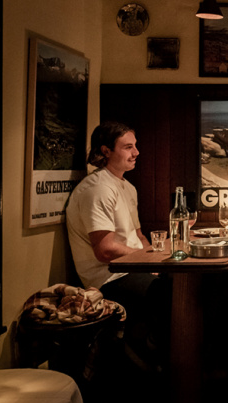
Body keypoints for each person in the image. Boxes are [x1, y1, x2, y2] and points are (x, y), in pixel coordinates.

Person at [66, 121, 169, 367]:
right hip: (109, 277)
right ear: (106, 151)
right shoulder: (98, 189)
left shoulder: (127, 187)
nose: (136, 152)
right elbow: (105, 250)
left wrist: (154, 262)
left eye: (135, 146)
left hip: (134, 268)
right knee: (170, 296)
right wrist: (148, 261)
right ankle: (148, 353)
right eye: (128, 147)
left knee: (186, 287)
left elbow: (138, 236)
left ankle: (157, 352)